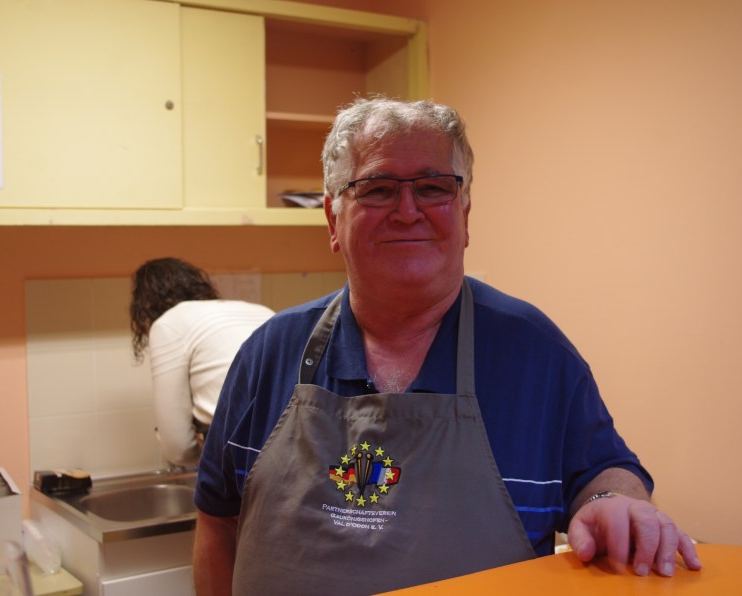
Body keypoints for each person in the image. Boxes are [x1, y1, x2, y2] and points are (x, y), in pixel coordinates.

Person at [192, 98, 701, 595]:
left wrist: (615, 500)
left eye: (434, 187)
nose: (407, 211)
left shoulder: (534, 352)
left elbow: (604, 472)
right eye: (377, 189)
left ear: (464, 213)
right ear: (332, 219)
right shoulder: (269, 353)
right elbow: (216, 521)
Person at [130, 257, 274, 466]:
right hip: (300, 442)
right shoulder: (259, 310)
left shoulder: (168, 324)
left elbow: (178, 449)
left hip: (245, 452)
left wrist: (200, 456)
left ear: (145, 307)